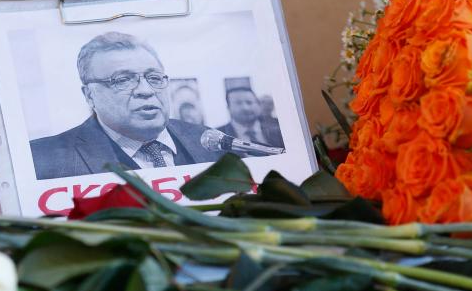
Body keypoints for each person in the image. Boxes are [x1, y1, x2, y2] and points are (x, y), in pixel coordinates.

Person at [30, 32, 222, 180]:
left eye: (154, 78)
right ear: (89, 95)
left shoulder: (210, 141)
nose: (145, 91)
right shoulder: (42, 160)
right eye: (123, 80)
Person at [217, 87, 284, 149]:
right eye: (238, 103)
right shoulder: (218, 136)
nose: (245, 108)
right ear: (228, 107)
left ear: (258, 104)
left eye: (249, 102)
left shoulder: (279, 127)